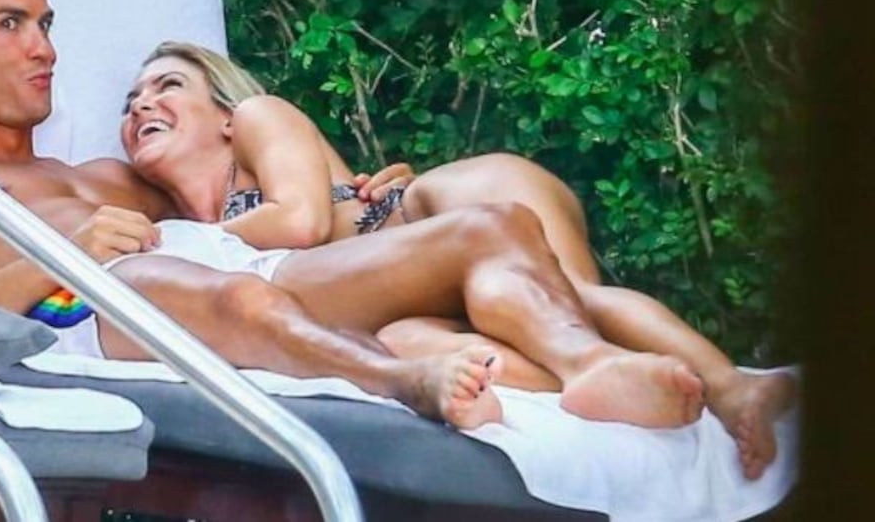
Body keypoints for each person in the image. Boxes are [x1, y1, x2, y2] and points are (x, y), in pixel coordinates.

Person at [0, 0, 705, 432]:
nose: (44, 49)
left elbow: (246, 207)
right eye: (10, 24)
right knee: (215, 292)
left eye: (46, 24)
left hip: (243, 277)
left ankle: (594, 367)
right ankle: (402, 383)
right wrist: (63, 257)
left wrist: (368, 199)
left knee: (488, 227)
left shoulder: (112, 171)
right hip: (96, 310)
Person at [121, 40, 796, 479]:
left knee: (571, 302)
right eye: (131, 103)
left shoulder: (258, 118)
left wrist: (186, 243)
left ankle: (732, 387)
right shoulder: (184, 226)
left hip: (447, 205)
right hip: (416, 282)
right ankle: (621, 386)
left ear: (223, 110)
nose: (143, 103)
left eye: (168, 85)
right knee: (417, 345)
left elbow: (302, 222)